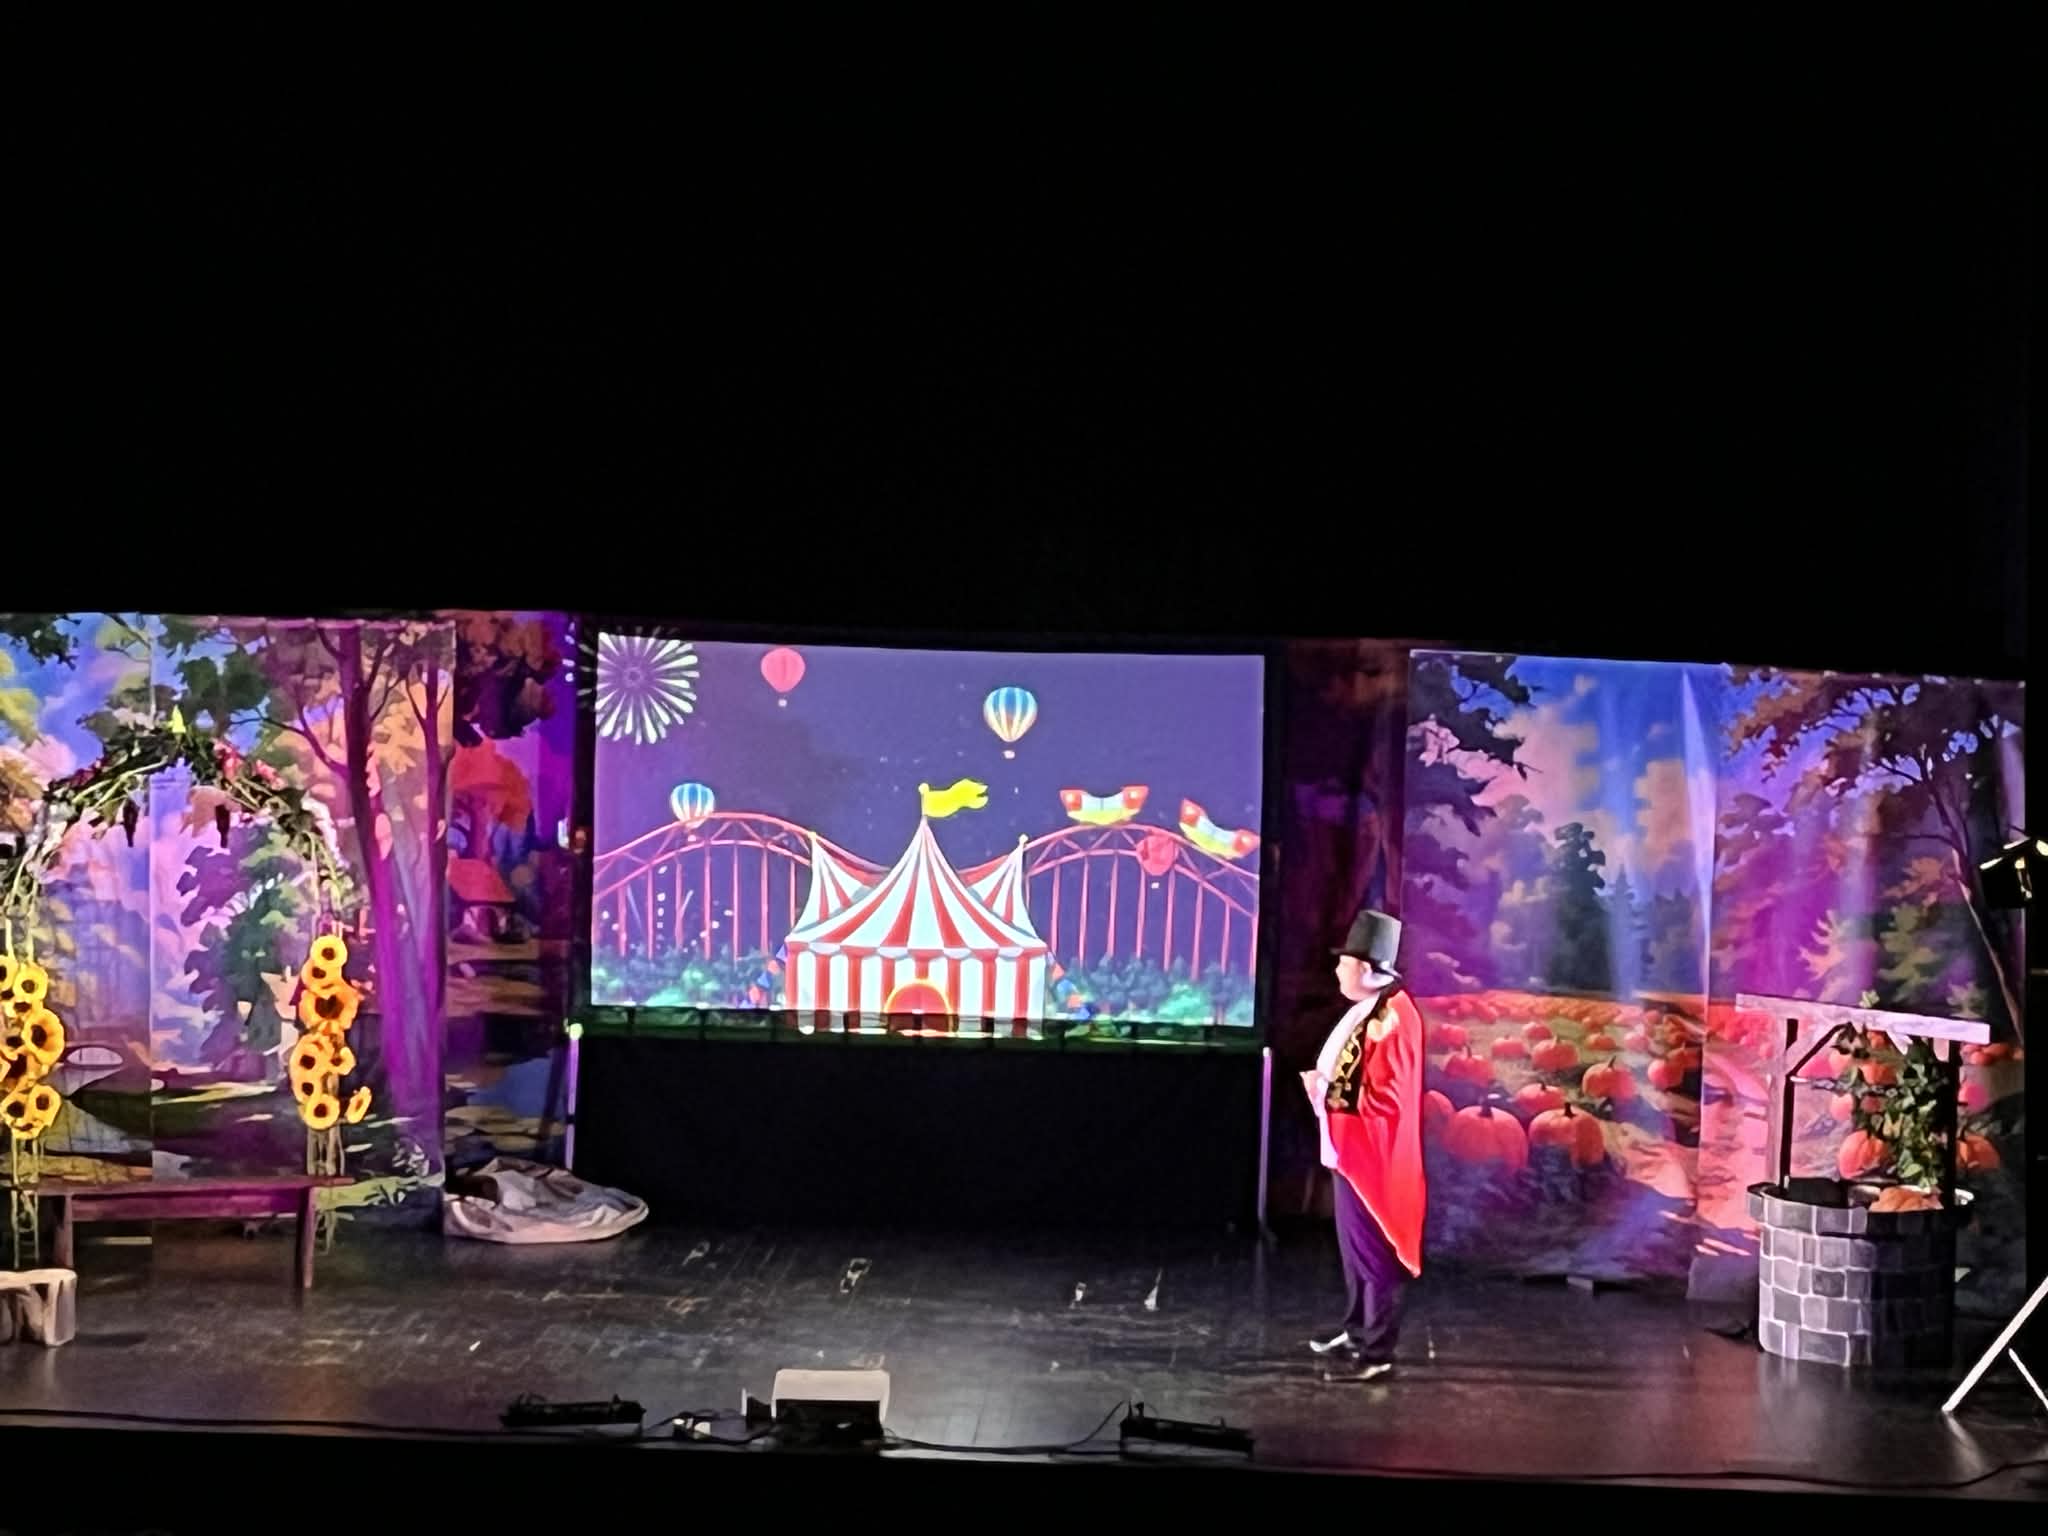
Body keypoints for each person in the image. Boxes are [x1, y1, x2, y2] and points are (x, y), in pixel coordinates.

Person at [1301, 908, 1425, 1381]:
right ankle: (1356, 1331)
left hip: (1373, 1160)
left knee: (1374, 1257)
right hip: (1349, 1152)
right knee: (1355, 1255)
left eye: (1346, 962)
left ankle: (1377, 1351)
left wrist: (1325, 1090)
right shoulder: (1372, 1010)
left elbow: (1386, 1098)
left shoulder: (1392, 1019)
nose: (1337, 969)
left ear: (1370, 971)